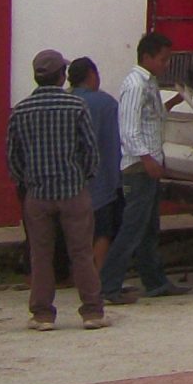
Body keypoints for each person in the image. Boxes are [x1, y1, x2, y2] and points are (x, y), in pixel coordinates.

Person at [4, 48, 108, 331]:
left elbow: (13, 157)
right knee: (81, 253)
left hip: (37, 194)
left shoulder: (21, 110)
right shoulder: (76, 107)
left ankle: (42, 314)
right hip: (73, 191)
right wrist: (83, 178)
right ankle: (92, 311)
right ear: (62, 76)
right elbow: (90, 151)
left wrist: (26, 183)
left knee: (41, 255)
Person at [99, 30, 193, 303]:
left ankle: (155, 282)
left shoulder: (149, 83)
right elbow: (128, 129)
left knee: (148, 229)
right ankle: (109, 286)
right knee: (132, 228)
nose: (166, 65)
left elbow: (153, 117)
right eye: (163, 59)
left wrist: (175, 100)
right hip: (139, 167)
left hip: (149, 163)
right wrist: (147, 159)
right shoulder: (135, 85)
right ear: (147, 57)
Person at [68, 57, 123, 252]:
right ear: (92, 75)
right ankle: (100, 277)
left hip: (68, 184)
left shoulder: (65, 101)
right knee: (102, 232)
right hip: (102, 182)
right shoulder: (106, 103)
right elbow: (115, 144)